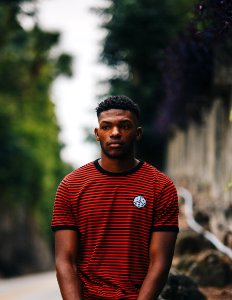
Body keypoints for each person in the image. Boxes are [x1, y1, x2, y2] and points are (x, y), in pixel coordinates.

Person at [51, 95, 179, 300]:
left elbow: (160, 262)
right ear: (97, 133)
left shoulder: (161, 187)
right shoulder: (71, 186)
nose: (115, 133)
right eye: (106, 127)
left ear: (138, 134)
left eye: (124, 126)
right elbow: (66, 261)